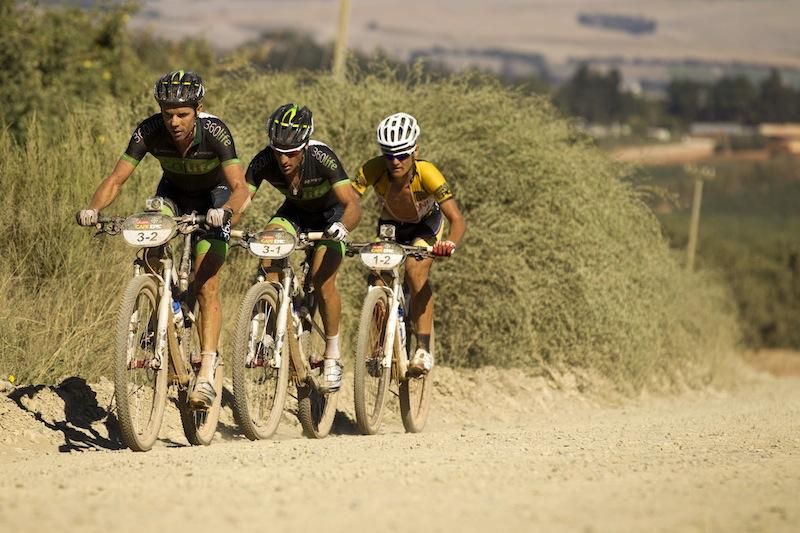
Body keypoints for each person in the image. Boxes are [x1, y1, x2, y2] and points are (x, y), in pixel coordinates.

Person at [76, 70, 250, 408]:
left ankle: (207, 371)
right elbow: (116, 179)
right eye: (167, 113)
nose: (174, 122)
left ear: (198, 109)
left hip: (215, 199)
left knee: (207, 284)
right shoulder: (149, 130)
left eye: (182, 114)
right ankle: (166, 307)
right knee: (150, 243)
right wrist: (93, 209)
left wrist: (226, 211)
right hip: (172, 194)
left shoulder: (216, 132)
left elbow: (240, 187)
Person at [245, 103, 361, 392]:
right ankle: (271, 328)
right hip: (295, 213)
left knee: (322, 281)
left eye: (292, 152)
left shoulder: (322, 157)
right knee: (268, 250)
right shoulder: (264, 160)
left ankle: (332, 355)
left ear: (306, 145)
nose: (283, 159)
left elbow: (352, 204)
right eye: (278, 151)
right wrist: (223, 218)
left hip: (331, 217)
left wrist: (342, 227)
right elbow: (242, 199)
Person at [352, 112, 466, 376]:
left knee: (415, 272)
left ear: (415, 151)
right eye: (389, 154)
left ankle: (423, 349)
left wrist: (449, 243)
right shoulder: (372, 169)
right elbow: (349, 201)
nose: (395, 161)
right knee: (377, 278)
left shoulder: (428, 173)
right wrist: (340, 228)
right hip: (391, 226)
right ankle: (380, 344)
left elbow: (457, 219)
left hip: (425, 226)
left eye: (402, 155)